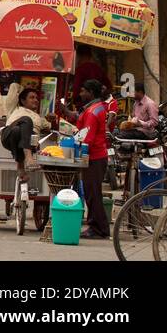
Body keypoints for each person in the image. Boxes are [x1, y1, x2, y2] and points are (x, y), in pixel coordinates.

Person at [57, 79, 111, 238]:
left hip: (94, 157)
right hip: (94, 156)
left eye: (83, 91)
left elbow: (87, 138)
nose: (80, 94)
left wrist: (75, 146)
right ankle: (98, 227)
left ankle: (98, 229)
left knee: (92, 193)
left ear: (91, 93)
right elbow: (78, 120)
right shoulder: (92, 108)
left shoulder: (93, 112)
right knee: (91, 193)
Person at [0, 87, 49, 176]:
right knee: (25, 121)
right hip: (9, 136)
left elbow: (56, 126)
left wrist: (52, 120)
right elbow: (13, 88)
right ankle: (28, 159)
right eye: (32, 97)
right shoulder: (14, 108)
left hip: (29, 141)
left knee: (24, 132)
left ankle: (21, 167)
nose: (36, 100)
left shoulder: (40, 118)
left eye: (37, 98)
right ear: (23, 101)